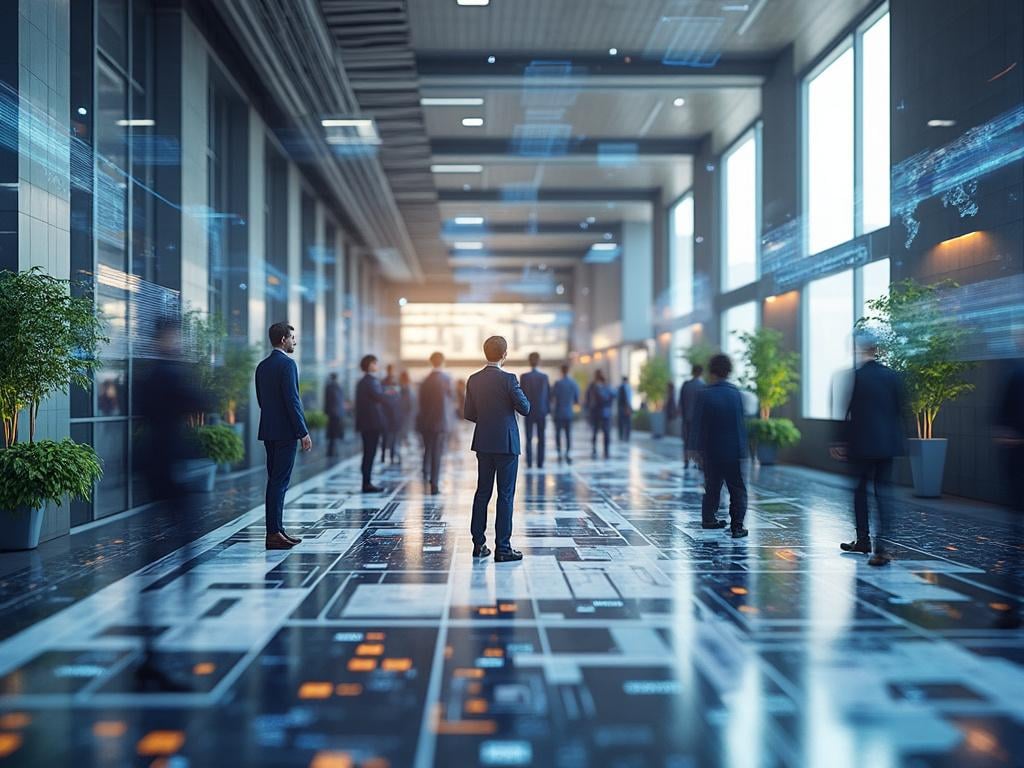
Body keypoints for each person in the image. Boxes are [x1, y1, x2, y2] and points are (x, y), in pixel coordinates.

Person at [838, 331, 906, 567]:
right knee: (883, 493)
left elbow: (849, 412)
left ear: (859, 349)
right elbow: (900, 409)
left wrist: (840, 441)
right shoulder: (893, 376)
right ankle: (883, 546)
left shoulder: (857, 377)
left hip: (862, 444)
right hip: (887, 444)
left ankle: (863, 540)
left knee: (860, 493)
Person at [464, 335, 531, 562]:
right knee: (505, 495)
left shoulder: (473, 379)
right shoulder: (509, 379)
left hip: (483, 442)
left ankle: (478, 544)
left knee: (482, 492)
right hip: (507, 444)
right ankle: (503, 548)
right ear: (505, 354)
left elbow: (468, 413)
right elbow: (525, 408)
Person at [255, 322, 312, 550]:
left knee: (274, 481)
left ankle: (276, 530)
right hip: (286, 432)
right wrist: (303, 432)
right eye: (292, 338)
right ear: (283, 340)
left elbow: (261, 400)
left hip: (269, 430)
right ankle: (273, 533)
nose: (294, 342)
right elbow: (293, 401)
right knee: (280, 482)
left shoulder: (262, 366)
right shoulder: (288, 365)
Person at [692, 354, 748, 538]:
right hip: (732, 451)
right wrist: (742, 449)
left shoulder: (705, 394)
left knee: (712, 486)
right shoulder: (735, 393)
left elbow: (697, 424)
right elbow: (740, 423)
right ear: (728, 370)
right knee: (737, 489)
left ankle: (709, 519)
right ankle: (737, 526)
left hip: (711, 451)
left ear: (711, 371)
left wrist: (695, 449)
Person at [993, 354, 1024, 628]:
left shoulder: (1015, 374)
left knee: (1015, 537)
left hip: (1018, 468)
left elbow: (1002, 427)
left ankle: (1012, 607)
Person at [417, 351, 453, 495]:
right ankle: (434, 483)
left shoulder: (425, 380)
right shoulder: (446, 379)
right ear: (442, 361)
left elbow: (421, 403)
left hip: (426, 422)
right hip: (440, 422)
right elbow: (450, 398)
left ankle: (425, 473)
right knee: (437, 453)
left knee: (427, 449)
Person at [356, 354, 387, 492]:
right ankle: (366, 483)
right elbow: (380, 397)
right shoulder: (369, 381)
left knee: (369, 452)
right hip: (371, 424)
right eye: (375, 363)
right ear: (369, 365)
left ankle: (367, 481)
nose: (377, 365)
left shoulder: (364, 382)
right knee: (370, 453)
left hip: (368, 424)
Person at [520, 351, 551, 469]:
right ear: (539, 361)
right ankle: (540, 462)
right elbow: (548, 395)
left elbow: (521, 395)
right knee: (541, 438)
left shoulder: (524, 377)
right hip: (542, 411)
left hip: (528, 412)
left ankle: (529, 462)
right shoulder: (544, 377)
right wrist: (548, 410)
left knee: (528, 438)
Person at [679, 365, 706, 469]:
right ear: (701, 373)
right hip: (698, 419)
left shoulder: (686, 385)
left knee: (686, 441)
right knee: (698, 441)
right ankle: (698, 463)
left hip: (686, 418)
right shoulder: (703, 386)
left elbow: (681, 403)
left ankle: (686, 462)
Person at [552, 364, 580, 463]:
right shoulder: (573, 383)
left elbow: (552, 397)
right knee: (568, 434)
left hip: (559, 412)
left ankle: (559, 452)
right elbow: (577, 400)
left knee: (558, 434)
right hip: (568, 412)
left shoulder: (558, 383)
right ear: (568, 371)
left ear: (561, 371)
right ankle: (567, 452)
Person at [586, 370, 615, 459]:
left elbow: (588, 399)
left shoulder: (595, 386)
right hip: (601, 412)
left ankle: (599, 450)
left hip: (599, 412)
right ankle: (603, 450)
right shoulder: (602, 386)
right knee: (602, 432)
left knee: (598, 432)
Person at [380, 364, 401, 464]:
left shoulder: (385, 382)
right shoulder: (393, 382)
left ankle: (385, 455)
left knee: (387, 436)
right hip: (392, 413)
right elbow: (396, 396)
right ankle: (389, 456)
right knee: (392, 436)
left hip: (387, 413)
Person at [324, 373, 345, 457]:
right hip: (336, 413)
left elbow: (327, 401)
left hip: (332, 413)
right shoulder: (336, 387)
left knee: (332, 434)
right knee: (334, 434)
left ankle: (332, 451)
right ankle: (332, 452)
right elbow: (337, 401)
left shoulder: (330, 387)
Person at [398, 369, 416, 450]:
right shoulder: (409, 388)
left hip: (403, 414)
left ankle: (403, 449)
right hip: (407, 414)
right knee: (405, 433)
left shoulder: (402, 388)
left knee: (403, 434)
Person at [616, 376, 633, 442]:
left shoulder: (622, 387)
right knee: (626, 422)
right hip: (625, 407)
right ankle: (625, 436)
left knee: (624, 422)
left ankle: (623, 436)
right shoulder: (627, 387)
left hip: (624, 407)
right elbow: (629, 398)